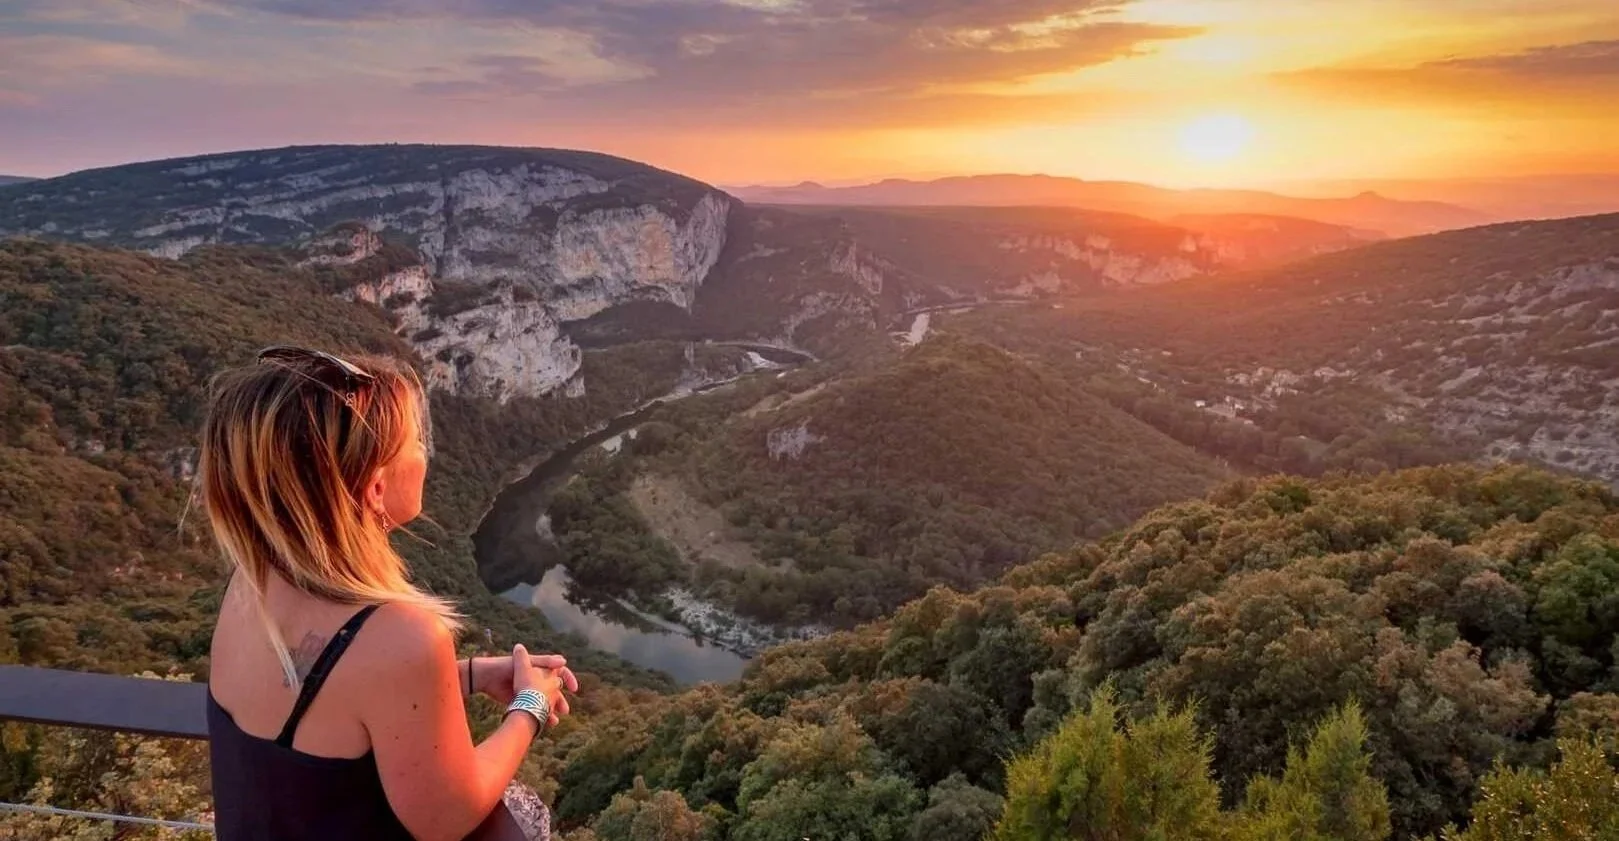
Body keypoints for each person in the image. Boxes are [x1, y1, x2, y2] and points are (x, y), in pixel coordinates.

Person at [200, 345, 577, 841]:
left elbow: (324, 702)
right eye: (416, 440)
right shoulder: (399, 636)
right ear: (376, 488)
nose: (425, 452)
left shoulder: (252, 582)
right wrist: (530, 704)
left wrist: (462, 676)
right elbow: (446, 819)